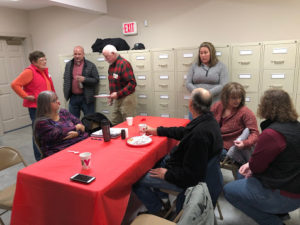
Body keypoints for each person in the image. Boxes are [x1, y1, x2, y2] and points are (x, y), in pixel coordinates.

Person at [133, 88, 223, 216]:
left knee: (136, 180)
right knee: (156, 161)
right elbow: (183, 132)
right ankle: (164, 200)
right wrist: (156, 130)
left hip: (187, 180)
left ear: (191, 104)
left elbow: (191, 177)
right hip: (190, 170)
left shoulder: (199, 136)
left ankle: (158, 210)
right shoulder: (208, 121)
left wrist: (167, 174)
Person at [223, 89, 300, 225]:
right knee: (243, 174)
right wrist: (250, 165)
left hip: (285, 194)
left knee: (228, 190)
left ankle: (273, 221)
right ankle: (279, 212)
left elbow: (257, 167)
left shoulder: (272, 134)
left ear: (265, 107)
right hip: (294, 186)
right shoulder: (296, 127)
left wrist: (251, 165)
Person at [11, 50, 56, 161]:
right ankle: (39, 158)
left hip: (48, 105)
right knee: (38, 133)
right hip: (36, 108)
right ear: (34, 62)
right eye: (42, 60)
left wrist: (56, 99)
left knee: (49, 129)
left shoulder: (43, 71)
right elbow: (15, 84)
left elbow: (50, 86)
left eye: (45, 59)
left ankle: (48, 153)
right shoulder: (29, 71)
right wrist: (26, 96)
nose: (45, 61)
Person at [211, 82, 259, 164]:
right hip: (215, 142)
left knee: (208, 154)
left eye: (239, 97)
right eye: (233, 98)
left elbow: (254, 133)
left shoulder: (245, 112)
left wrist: (245, 143)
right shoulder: (217, 106)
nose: (237, 101)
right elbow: (207, 121)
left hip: (229, 148)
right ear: (226, 97)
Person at [34, 91, 88, 158]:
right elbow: (58, 133)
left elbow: (80, 125)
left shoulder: (64, 113)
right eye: (54, 101)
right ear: (45, 105)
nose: (58, 102)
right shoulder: (41, 123)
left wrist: (77, 133)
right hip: (58, 154)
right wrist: (75, 128)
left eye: (57, 99)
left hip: (77, 146)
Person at [186, 42, 229, 120]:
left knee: (211, 127)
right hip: (196, 102)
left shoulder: (221, 66)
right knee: (194, 127)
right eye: (201, 53)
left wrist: (208, 93)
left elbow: (224, 85)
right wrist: (198, 92)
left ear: (211, 53)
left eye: (205, 52)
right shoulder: (194, 66)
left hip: (213, 103)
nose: (203, 55)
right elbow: (188, 83)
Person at [102, 44, 137, 125]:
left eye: (107, 56)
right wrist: (111, 96)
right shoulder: (111, 66)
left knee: (128, 123)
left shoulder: (124, 64)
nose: (105, 59)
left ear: (113, 53)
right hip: (118, 98)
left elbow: (132, 84)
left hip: (127, 98)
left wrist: (117, 94)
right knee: (114, 122)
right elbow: (113, 83)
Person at [63, 46, 99, 118]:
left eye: (79, 54)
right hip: (73, 97)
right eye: (75, 54)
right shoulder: (69, 65)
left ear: (83, 54)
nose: (77, 56)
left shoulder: (90, 65)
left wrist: (85, 79)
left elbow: (96, 80)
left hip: (86, 97)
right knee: (73, 121)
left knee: (89, 120)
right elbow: (66, 79)